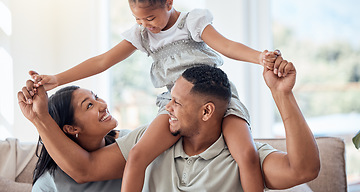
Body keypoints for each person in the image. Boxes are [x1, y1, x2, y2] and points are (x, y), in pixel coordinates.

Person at [30, 0, 281, 192]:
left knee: (247, 154)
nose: (145, 25)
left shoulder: (191, 22)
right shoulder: (143, 35)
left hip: (217, 98)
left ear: (169, 4)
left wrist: (260, 57)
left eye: (150, 17)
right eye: (138, 19)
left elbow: (226, 45)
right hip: (175, 106)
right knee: (138, 155)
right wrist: (58, 78)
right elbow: (102, 61)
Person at [19, 57, 320, 191]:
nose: (167, 108)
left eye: (176, 102)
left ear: (206, 112)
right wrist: (39, 118)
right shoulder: (148, 141)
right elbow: (84, 169)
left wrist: (282, 95)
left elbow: (304, 170)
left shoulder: (243, 156)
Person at [29, 85, 128, 191]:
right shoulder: (49, 183)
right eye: (89, 105)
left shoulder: (128, 141)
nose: (103, 105)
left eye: (96, 97)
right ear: (71, 129)